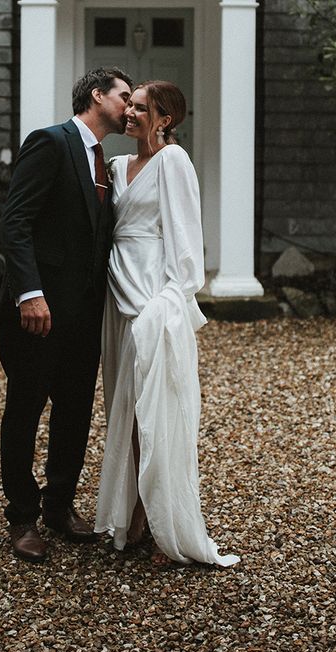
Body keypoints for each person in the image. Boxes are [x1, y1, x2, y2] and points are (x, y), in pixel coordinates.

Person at [94, 81, 239, 567]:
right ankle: (132, 515)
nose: (130, 113)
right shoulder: (115, 167)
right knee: (125, 415)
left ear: (164, 119)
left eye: (140, 108)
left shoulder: (174, 163)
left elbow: (186, 246)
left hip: (151, 303)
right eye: (129, 105)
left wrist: (169, 303)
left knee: (156, 418)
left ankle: (164, 528)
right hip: (116, 301)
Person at [0, 68, 133, 563]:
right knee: (25, 410)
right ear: (96, 96)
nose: (130, 107)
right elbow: (16, 219)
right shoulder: (50, 143)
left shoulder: (108, 164)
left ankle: (58, 507)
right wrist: (29, 293)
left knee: (75, 413)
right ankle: (21, 518)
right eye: (123, 96)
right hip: (39, 313)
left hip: (85, 316)